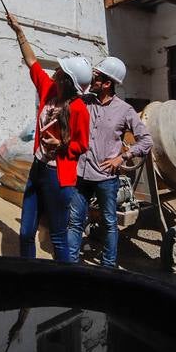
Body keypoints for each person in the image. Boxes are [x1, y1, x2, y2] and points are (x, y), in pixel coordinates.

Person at [6, 12, 91, 261]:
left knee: (58, 237)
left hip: (57, 176)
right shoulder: (49, 91)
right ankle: (29, 276)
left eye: (60, 71)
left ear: (68, 81)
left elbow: (82, 145)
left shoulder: (79, 109)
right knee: (25, 233)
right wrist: (19, 31)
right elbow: (32, 61)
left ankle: (63, 282)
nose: (55, 71)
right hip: (38, 169)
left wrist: (61, 144)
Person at [67, 57, 153, 268]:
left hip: (106, 178)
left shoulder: (125, 110)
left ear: (107, 83)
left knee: (109, 223)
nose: (92, 80)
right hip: (80, 174)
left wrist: (122, 157)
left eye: (96, 77)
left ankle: (108, 267)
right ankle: (70, 266)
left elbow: (146, 141)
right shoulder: (84, 102)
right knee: (75, 221)